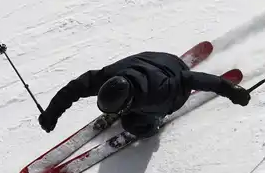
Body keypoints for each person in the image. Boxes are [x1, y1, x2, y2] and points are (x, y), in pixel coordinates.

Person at [38, 51, 250, 138]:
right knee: (128, 116)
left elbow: (191, 79)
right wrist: (52, 112)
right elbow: (74, 88)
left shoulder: (161, 92)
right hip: (162, 58)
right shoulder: (109, 76)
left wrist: (229, 89)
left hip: (172, 79)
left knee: (132, 125)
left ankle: (152, 124)